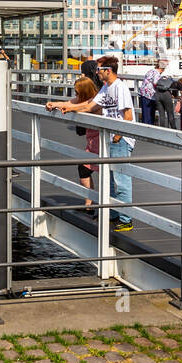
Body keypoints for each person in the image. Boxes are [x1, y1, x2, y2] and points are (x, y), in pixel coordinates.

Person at [46, 55, 135, 231]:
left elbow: (128, 116)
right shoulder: (105, 88)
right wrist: (62, 106)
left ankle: (126, 219)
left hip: (119, 139)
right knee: (109, 179)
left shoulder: (120, 87)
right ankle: (113, 214)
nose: (96, 72)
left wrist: (118, 135)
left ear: (107, 71)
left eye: (99, 69)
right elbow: (88, 106)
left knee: (121, 180)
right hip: (108, 139)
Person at [71, 76, 101, 206]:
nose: (76, 94)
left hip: (99, 140)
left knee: (85, 168)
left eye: (77, 92)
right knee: (86, 168)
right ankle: (89, 203)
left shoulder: (94, 101)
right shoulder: (89, 99)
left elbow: (86, 108)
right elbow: (71, 104)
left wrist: (71, 109)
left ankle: (90, 204)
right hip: (92, 140)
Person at [139, 59, 165, 125]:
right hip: (149, 96)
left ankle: (145, 129)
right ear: (162, 69)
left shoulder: (150, 71)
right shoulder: (157, 73)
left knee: (145, 114)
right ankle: (148, 130)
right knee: (149, 115)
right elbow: (156, 83)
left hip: (143, 93)